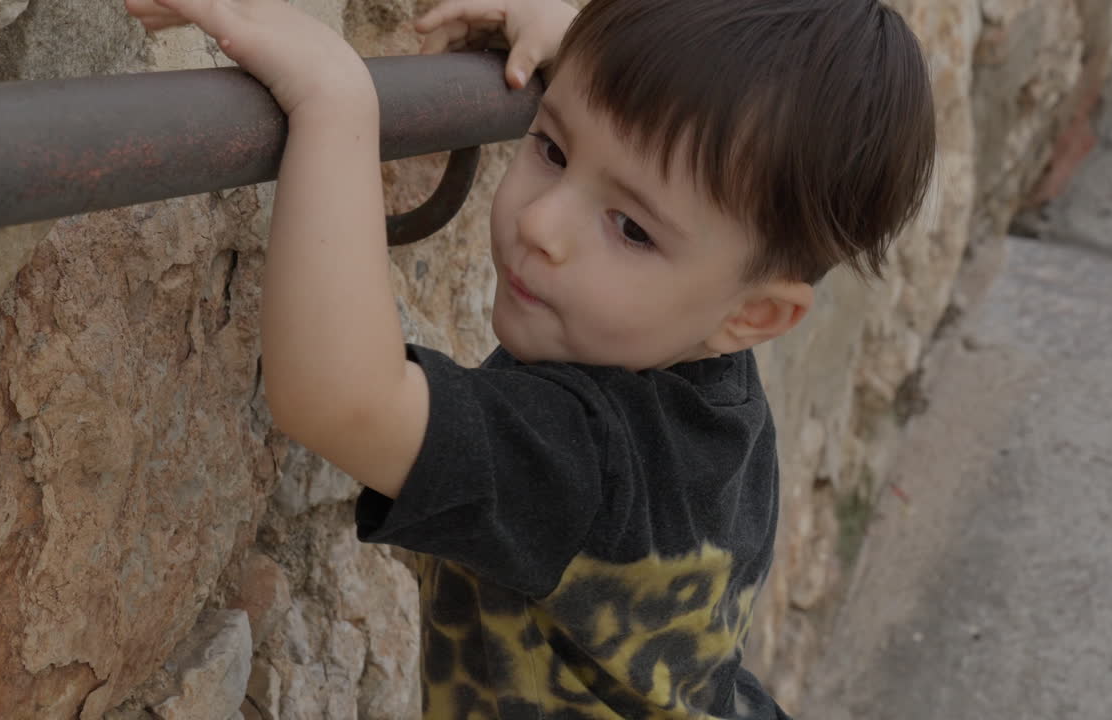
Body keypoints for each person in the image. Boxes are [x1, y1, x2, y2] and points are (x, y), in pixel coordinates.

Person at [126, 0, 935, 717]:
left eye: (632, 229)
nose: (544, 224)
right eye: (552, 146)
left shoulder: (589, 465)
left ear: (755, 314)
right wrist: (578, 44)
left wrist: (335, 104)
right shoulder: (702, 375)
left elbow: (343, 400)